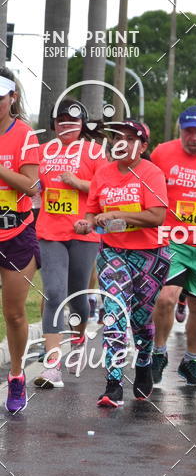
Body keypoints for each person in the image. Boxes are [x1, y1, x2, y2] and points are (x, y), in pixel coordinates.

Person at [75, 119, 170, 408]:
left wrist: (120, 214)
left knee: (141, 320)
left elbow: (157, 216)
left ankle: (143, 363)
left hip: (149, 255)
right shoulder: (103, 174)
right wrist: (86, 223)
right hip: (112, 253)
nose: (123, 143)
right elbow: (93, 213)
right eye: (118, 137)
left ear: (143, 146)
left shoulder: (152, 174)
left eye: (131, 138)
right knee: (114, 313)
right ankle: (113, 382)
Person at [34, 99, 105, 389]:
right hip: (49, 231)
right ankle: (52, 365)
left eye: (73, 120)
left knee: (77, 295)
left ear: (82, 125)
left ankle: (77, 342)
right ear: (53, 125)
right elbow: (33, 186)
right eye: (61, 120)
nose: (66, 125)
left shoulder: (94, 152)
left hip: (83, 231)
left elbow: (105, 188)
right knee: (53, 293)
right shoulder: (42, 152)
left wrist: (77, 183)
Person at [150, 106, 196, 387]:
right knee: (166, 298)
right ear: (180, 129)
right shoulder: (162, 154)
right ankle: (158, 353)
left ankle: (190, 361)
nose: (194, 137)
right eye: (188, 131)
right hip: (172, 240)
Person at [0, 69, 40, 413]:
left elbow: (31, 186)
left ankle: (16, 375)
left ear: (12, 98)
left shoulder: (25, 135)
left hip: (15, 232)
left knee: (13, 314)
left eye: (1, 96)